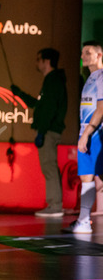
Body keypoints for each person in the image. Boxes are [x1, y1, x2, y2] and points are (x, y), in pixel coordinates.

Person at [11, 48, 67, 217]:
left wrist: (41, 132)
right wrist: (20, 94)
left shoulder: (52, 81)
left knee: (48, 167)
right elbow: (41, 105)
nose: (36, 63)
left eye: (39, 59)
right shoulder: (52, 80)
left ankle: (55, 205)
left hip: (49, 131)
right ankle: (55, 204)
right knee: (50, 166)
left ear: (46, 61)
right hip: (49, 130)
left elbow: (49, 109)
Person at [63, 41, 103, 234]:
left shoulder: (102, 77)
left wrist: (87, 133)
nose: (83, 56)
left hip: (97, 134)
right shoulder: (89, 78)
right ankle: (84, 221)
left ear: (99, 55)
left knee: (96, 176)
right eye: (82, 53)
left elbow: (101, 109)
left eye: (88, 53)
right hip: (87, 134)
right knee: (86, 177)